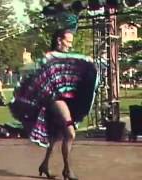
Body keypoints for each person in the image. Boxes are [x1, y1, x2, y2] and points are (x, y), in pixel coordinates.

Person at [9, 29, 97, 180]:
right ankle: (67, 170)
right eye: (68, 41)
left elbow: (74, 57)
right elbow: (37, 77)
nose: (70, 45)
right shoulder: (48, 57)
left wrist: (87, 60)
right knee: (70, 133)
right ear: (59, 40)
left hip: (67, 99)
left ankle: (44, 165)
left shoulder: (66, 57)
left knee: (56, 134)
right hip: (55, 99)